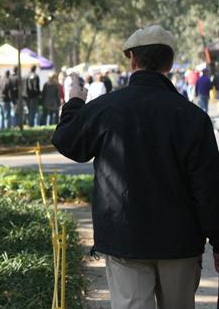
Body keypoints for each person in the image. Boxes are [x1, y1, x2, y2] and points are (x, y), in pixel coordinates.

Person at [52, 25, 219, 309]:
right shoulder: (193, 117)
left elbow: (68, 141)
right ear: (168, 63)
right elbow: (209, 187)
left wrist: (75, 103)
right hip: (179, 241)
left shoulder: (106, 109)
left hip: (124, 237)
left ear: (133, 60)